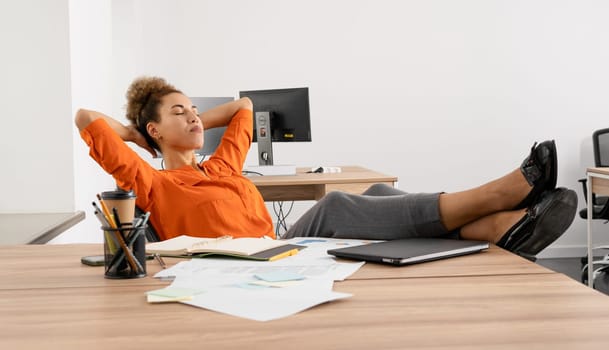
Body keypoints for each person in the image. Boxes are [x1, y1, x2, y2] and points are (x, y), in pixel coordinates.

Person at [75, 76, 577, 260]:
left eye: (194, 109)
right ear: (153, 131)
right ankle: (496, 196)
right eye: (177, 112)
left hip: (274, 247)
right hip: (243, 262)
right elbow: (86, 120)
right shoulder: (150, 180)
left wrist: (186, 120)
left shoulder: (222, 164)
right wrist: (140, 136)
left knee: (377, 190)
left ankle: (499, 227)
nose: (192, 117)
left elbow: (245, 105)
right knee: (336, 201)